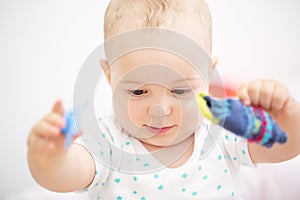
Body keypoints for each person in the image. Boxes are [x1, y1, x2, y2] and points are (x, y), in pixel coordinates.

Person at [27, 0, 300, 199]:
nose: (159, 110)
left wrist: (287, 115)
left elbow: (285, 146)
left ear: (208, 74)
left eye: (180, 91)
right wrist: (49, 160)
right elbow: (65, 175)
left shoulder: (221, 131)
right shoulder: (107, 143)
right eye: (138, 92)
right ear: (110, 78)